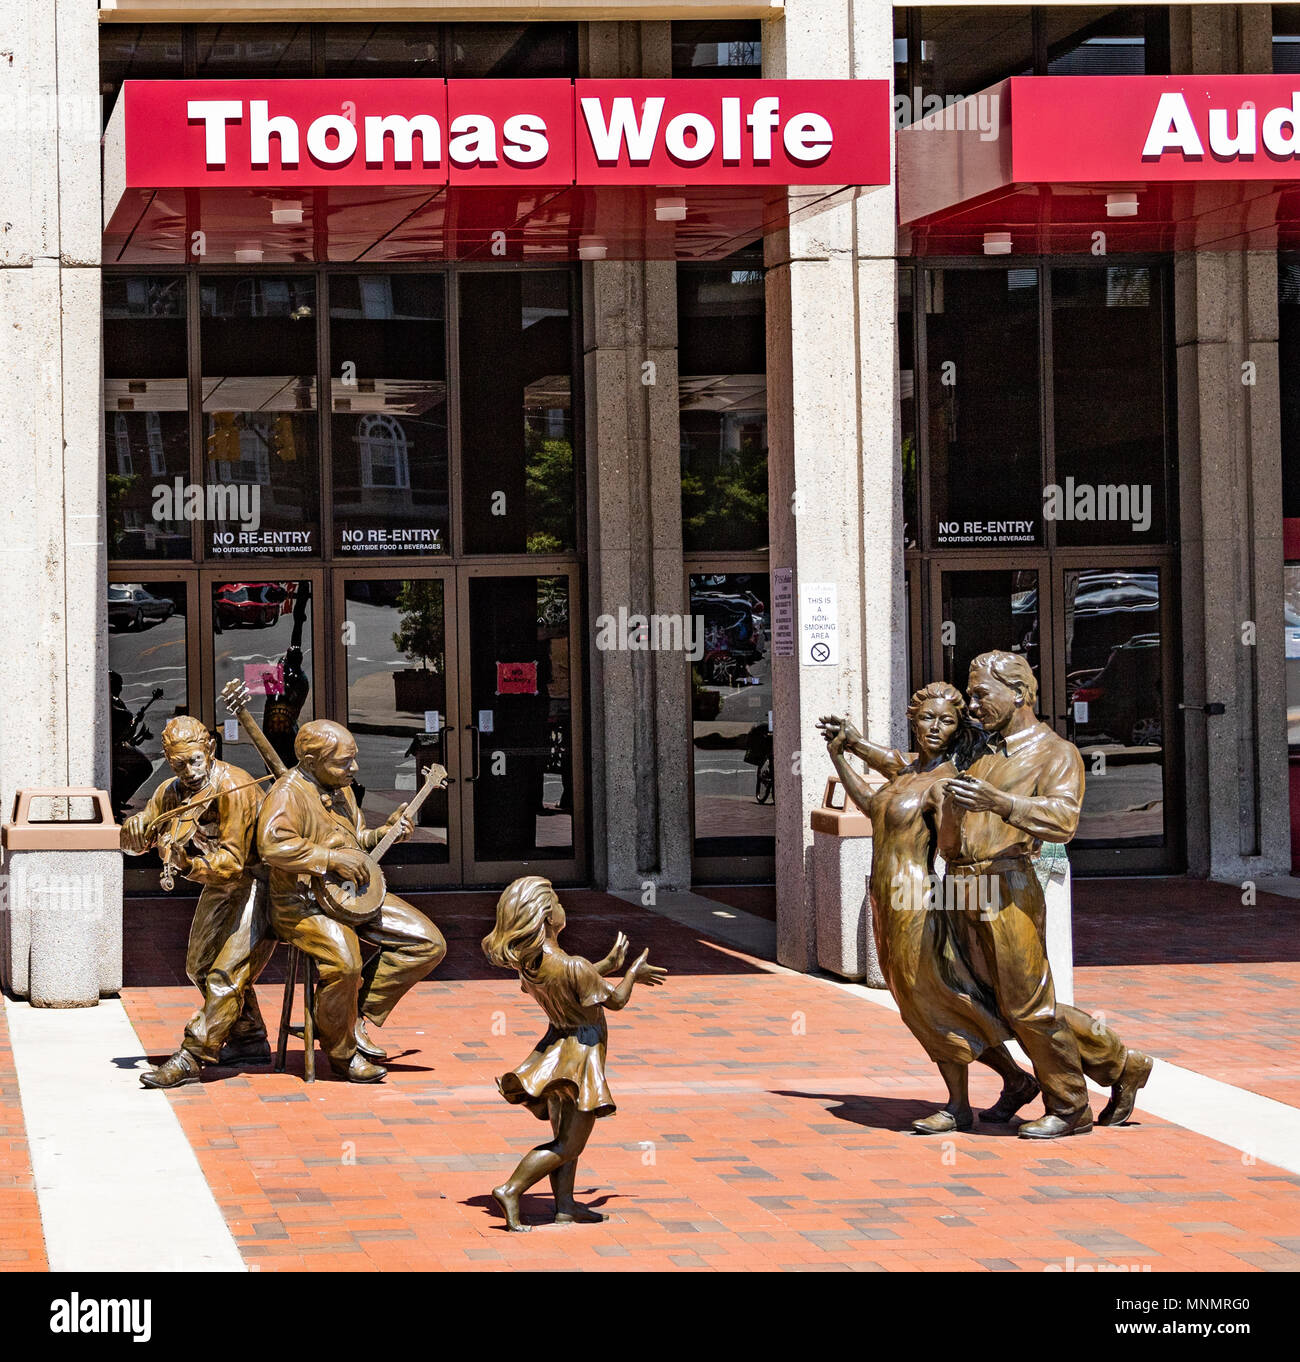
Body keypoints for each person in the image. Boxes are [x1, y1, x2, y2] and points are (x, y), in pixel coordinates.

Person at [936, 650, 1153, 1139]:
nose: (972, 705)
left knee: (1027, 1005)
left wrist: (1002, 803)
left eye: (980, 694)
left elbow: (1062, 821)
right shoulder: (983, 750)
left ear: (1018, 693)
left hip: (1008, 886)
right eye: (969, 695)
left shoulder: (1056, 752)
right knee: (991, 1001)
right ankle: (1120, 1063)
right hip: (963, 885)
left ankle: (1071, 1106)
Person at [818, 685, 1039, 1134]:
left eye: (947, 722)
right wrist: (842, 751)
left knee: (929, 1001)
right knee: (929, 999)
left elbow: (954, 845)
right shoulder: (908, 772)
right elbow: (871, 803)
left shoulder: (944, 781)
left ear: (959, 730)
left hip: (915, 901)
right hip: (887, 899)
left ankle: (959, 1106)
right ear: (913, 719)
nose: (936, 728)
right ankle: (1016, 1079)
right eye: (927, 719)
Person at [256, 719, 446, 1083]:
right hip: (302, 903)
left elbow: (355, 840)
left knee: (427, 943)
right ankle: (342, 1054)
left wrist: (385, 832)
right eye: (345, 762)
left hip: (350, 893)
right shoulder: (287, 793)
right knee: (345, 962)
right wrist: (329, 859)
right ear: (311, 762)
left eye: (353, 759)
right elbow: (272, 846)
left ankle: (352, 1014)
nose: (353, 769)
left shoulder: (341, 788)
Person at [482, 876, 666, 1231]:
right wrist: (631, 973)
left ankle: (565, 1206)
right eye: (558, 901)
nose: (563, 906)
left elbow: (571, 980)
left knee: (563, 1135)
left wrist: (605, 966)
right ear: (546, 915)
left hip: (555, 1053)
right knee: (569, 1144)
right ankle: (511, 1188)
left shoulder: (533, 963)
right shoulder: (573, 965)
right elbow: (616, 1001)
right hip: (580, 1058)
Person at [122, 716, 275, 1089]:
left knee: (225, 973)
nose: (188, 772)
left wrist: (187, 865)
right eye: (178, 764)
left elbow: (234, 861)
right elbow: (140, 838)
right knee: (200, 966)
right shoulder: (171, 791)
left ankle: (192, 1056)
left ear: (209, 750)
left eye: (194, 761)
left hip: (261, 880)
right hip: (220, 882)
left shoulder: (234, 787)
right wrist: (134, 833)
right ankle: (249, 1037)